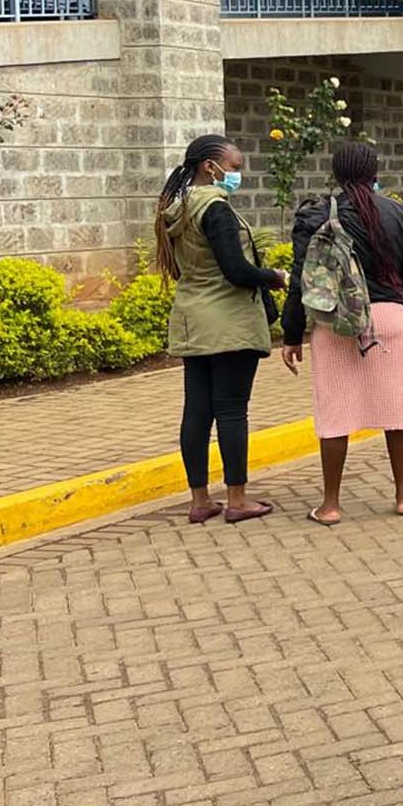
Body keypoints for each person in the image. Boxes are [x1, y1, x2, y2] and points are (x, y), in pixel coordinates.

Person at [280, 142, 403, 525]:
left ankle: (330, 505)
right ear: (375, 171)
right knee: (398, 412)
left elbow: (303, 280)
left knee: (335, 414)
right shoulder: (399, 213)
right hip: (392, 321)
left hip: (336, 325)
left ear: (336, 173)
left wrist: (292, 334)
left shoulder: (315, 215)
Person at [156, 134, 289, 525]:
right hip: (228, 323)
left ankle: (200, 500)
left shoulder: (178, 208)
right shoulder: (214, 208)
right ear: (209, 167)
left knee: (197, 410)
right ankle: (237, 499)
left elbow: (186, 268)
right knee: (231, 410)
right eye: (234, 168)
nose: (237, 175)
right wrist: (275, 276)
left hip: (192, 319)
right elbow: (237, 270)